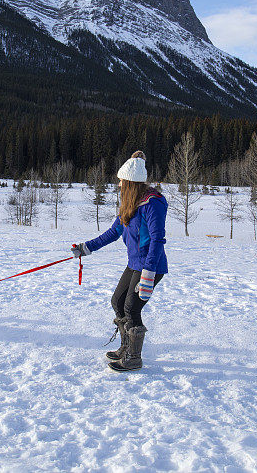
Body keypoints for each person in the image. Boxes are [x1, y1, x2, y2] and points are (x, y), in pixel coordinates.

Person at [72, 151, 168, 371]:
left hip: (151, 266)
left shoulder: (152, 203)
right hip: (135, 263)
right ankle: (126, 347)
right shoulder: (130, 203)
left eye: (122, 181)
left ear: (130, 183)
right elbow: (113, 232)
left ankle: (134, 358)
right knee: (118, 302)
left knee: (132, 308)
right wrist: (86, 248)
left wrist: (149, 273)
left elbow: (157, 239)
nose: (119, 185)